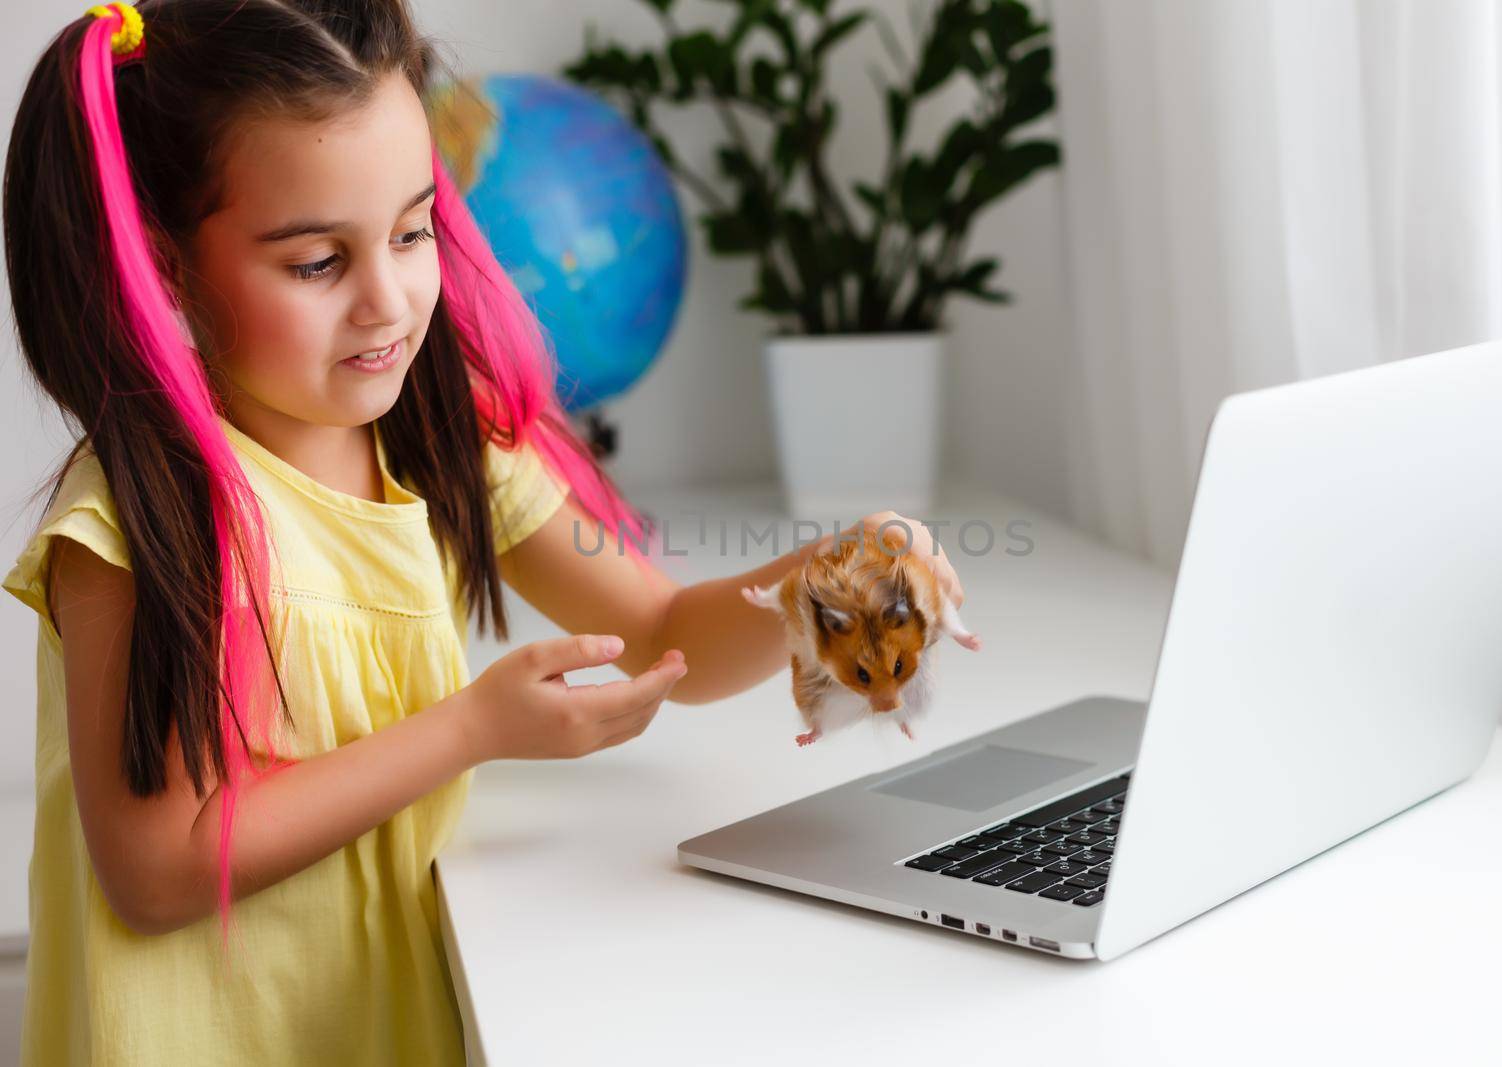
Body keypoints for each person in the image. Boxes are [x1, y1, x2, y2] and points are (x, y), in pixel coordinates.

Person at [0, 1, 968, 1063]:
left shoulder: (438, 426)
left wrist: (828, 578)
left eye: (412, 232)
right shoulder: (138, 516)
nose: (389, 302)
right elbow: (158, 868)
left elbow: (659, 628)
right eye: (318, 261)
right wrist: (469, 728)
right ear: (168, 264)